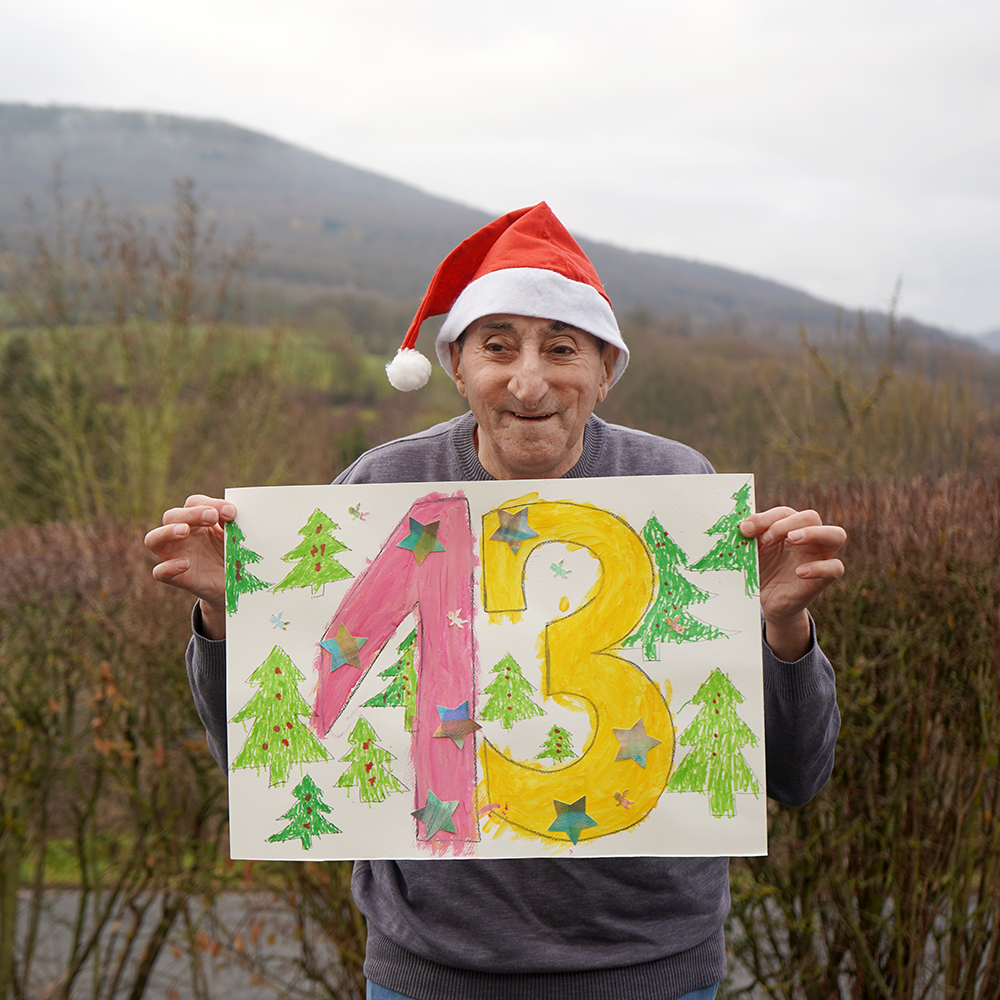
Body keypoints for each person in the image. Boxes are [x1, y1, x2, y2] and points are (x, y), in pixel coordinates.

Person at [145, 203, 845, 1000]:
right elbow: (264, 758)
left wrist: (784, 627)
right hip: (429, 972)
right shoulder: (379, 487)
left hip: (655, 970)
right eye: (498, 346)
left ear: (607, 369)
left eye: (562, 348)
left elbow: (797, 774)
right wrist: (227, 616)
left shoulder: (682, 487)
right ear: (456, 365)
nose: (529, 381)